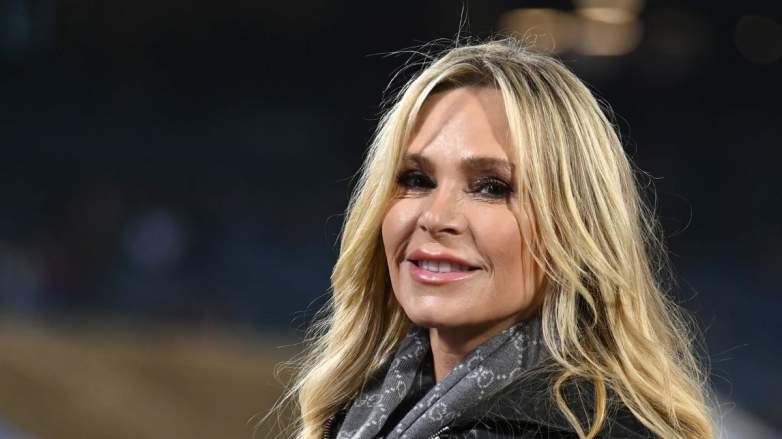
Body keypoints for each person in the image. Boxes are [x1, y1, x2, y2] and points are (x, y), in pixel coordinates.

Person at [271, 38, 714, 438]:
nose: (436, 217)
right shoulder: (359, 412)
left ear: (577, 227)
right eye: (416, 179)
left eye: (492, 187)